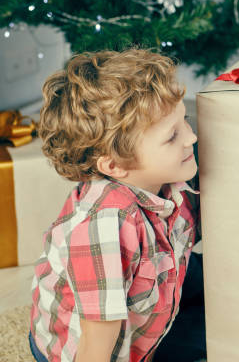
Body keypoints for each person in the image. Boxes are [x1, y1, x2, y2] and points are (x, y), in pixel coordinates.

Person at [29, 49, 204, 361]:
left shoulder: (161, 175)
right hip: (94, 347)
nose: (190, 137)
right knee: (210, 336)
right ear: (115, 165)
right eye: (171, 136)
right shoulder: (105, 227)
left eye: (185, 120)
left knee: (228, 290)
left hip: (155, 275)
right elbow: (95, 348)